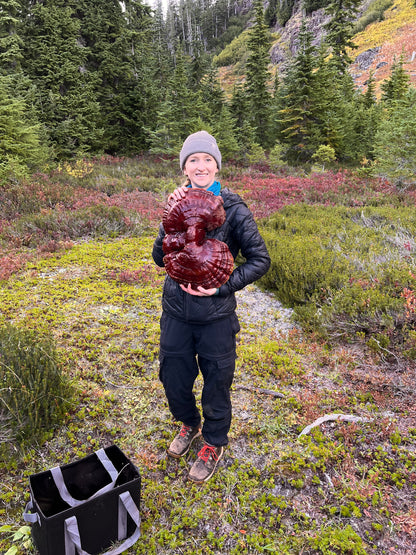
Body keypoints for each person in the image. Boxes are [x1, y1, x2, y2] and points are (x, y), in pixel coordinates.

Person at [152, 131, 271, 483]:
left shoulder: (233, 208)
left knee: (217, 381)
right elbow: (160, 258)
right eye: (193, 160)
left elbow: (259, 259)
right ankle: (189, 424)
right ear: (184, 167)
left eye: (207, 160)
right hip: (176, 311)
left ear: (217, 165)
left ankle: (213, 441)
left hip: (216, 317)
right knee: (173, 377)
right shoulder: (175, 201)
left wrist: (223, 287)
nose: (200, 166)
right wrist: (168, 220)